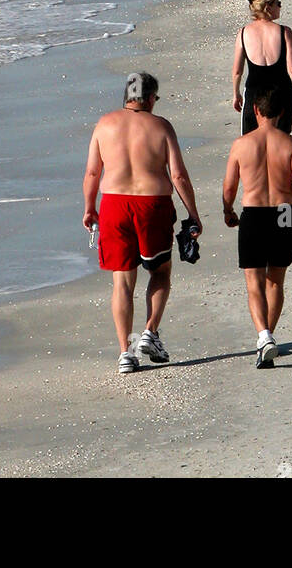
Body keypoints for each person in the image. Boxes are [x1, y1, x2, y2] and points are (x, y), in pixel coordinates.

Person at [83, 71, 202, 374]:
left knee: (122, 282)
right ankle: (149, 332)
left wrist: (89, 208)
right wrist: (193, 213)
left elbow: (93, 174)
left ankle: (125, 352)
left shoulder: (104, 125)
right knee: (160, 272)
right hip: (153, 205)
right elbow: (178, 176)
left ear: (127, 97)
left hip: (113, 204)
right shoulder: (161, 127)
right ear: (150, 99)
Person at [222, 92, 292, 368]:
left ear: (256, 112)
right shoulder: (291, 144)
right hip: (283, 212)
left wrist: (228, 210)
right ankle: (268, 338)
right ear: (281, 112)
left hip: (254, 215)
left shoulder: (241, 144)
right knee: (276, 280)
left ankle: (264, 336)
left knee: (254, 282)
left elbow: (229, 187)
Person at [232, 0, 292, 135]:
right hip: (282, 93)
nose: (280, 7)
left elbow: (237, 71)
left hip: (254, 94)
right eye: (278, 3)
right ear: (268, 7)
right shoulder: (284, 32)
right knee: (281, 141)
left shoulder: (243, 33)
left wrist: (236, 93)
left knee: (251, 142)